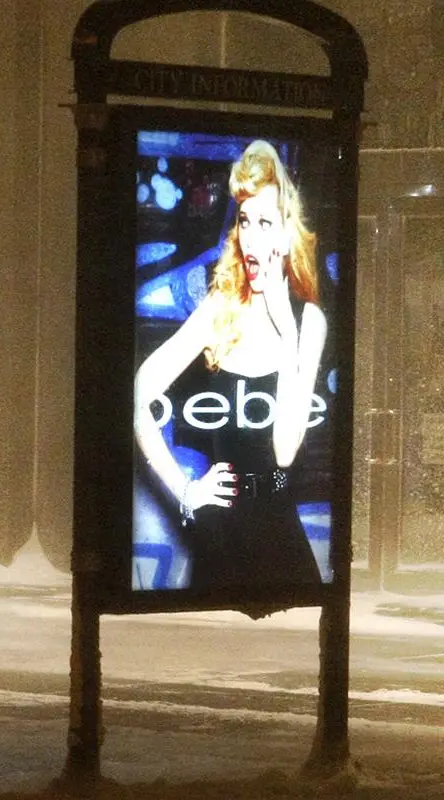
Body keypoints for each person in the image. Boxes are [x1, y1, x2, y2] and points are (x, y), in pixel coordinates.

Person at [134, 139, 325, 591]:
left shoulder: (307, 321)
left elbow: (284, 451)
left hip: (278, 539)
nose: (253, 237)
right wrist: (186, 491)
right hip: (218, 540)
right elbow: (140, 391)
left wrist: (285, 327)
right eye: (244, 221)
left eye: (265, 222)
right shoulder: (222, 307)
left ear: (286, 231)